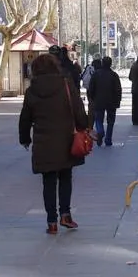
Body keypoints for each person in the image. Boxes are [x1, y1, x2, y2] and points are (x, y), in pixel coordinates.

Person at [19, 54, 88, 234]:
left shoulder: (32, 90)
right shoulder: (65, 84)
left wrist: (25, 138)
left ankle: (51, 222)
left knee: (48, 181)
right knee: (65, 177)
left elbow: (25, 117)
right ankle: (65, 214)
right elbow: (78, 108)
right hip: (66, 138)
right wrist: (83, 126)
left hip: (44, 141)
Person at [88, 57, 122, 147]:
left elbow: (91, 88)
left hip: (98, 101)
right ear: (110, 64)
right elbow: (118, 90)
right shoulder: (114, 75)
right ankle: (108, 139)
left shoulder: (96, 74)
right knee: (111, 121)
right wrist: (118, 101)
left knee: (98, 119)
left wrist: (92, 98)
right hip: (111, 102)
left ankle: (100, 131)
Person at [82, 56, 102, 128]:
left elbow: (82, 76)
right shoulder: (100, 71)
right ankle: (99, 127)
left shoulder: (89, 68)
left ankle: (90, 126)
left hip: (89, 90)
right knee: (99, 110)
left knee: (91, 108)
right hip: (99, 92)